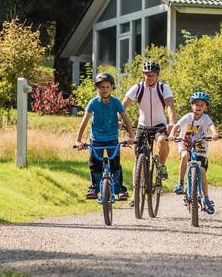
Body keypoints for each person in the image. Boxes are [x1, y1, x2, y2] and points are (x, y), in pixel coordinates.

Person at [73, 72, 133, 200]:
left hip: (112, 138)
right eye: (101, 87)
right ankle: (94, 188)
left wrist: (131, 137)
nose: (104, 90)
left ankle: (119, 189)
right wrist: (78, 140)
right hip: (96, 139)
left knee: (115, 165)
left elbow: (126, 120)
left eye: (107, 87)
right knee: (95, 164)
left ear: (112, 88)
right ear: (97, 88)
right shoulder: (93, 103)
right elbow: (84, 122)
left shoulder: (116, 102)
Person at [122, 60, 175, 181]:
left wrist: (172, 122)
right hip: (143, 125)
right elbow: (123, 106)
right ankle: (137, 192)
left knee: (162, 140)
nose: (149, 77)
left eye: (152, 75)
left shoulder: (163, 88)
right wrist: (118, 120)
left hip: (159, 125)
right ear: (143, 74)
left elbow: (170, 105)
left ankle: (161, 166)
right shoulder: (137, 88)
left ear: (157, 75)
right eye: (147, 74)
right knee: (138, 157)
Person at [171, 91, 216, 214]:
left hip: (201, 149)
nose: (199, 107)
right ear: (192, 106)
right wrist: (171, 134)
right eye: (196, 104)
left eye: (202, 104)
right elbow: (177, 126)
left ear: (205, 107)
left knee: (201, 171)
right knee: (185, 156)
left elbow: (211, 126)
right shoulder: (187, 117)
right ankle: (180, 183)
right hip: (186, 146)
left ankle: (206, 199)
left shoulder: (206, 118)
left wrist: (214, 134)